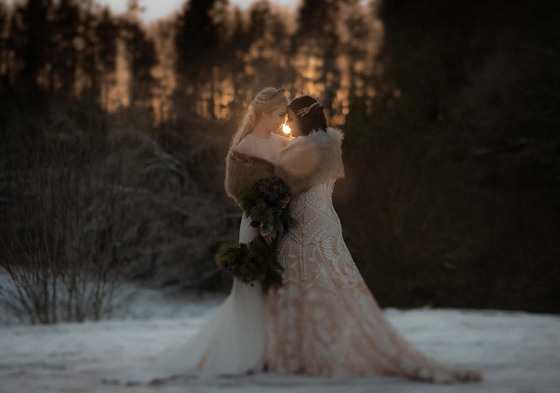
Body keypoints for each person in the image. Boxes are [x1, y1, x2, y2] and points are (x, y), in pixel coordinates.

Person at [265, 95, 482, 383]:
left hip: (307, 223)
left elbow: (282, 191)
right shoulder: (327, 145)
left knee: (305, 279)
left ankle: (307, 351)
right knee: (329, 283)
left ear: (302, 118)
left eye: (290, 118)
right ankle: (312, 347)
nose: (286, 124)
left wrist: (262, 210)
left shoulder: (303, 150)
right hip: (325, 221)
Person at [109, 87, 289, 384]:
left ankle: (271, 350)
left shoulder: (281, 142)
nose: (284, 119)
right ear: (265, 113)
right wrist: (263, 217)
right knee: (252, 287)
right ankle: (248, 352)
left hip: (276, 223)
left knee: (273, 287)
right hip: (257, 224)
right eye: (280, 114)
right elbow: (238, 191)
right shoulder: (245, 146)